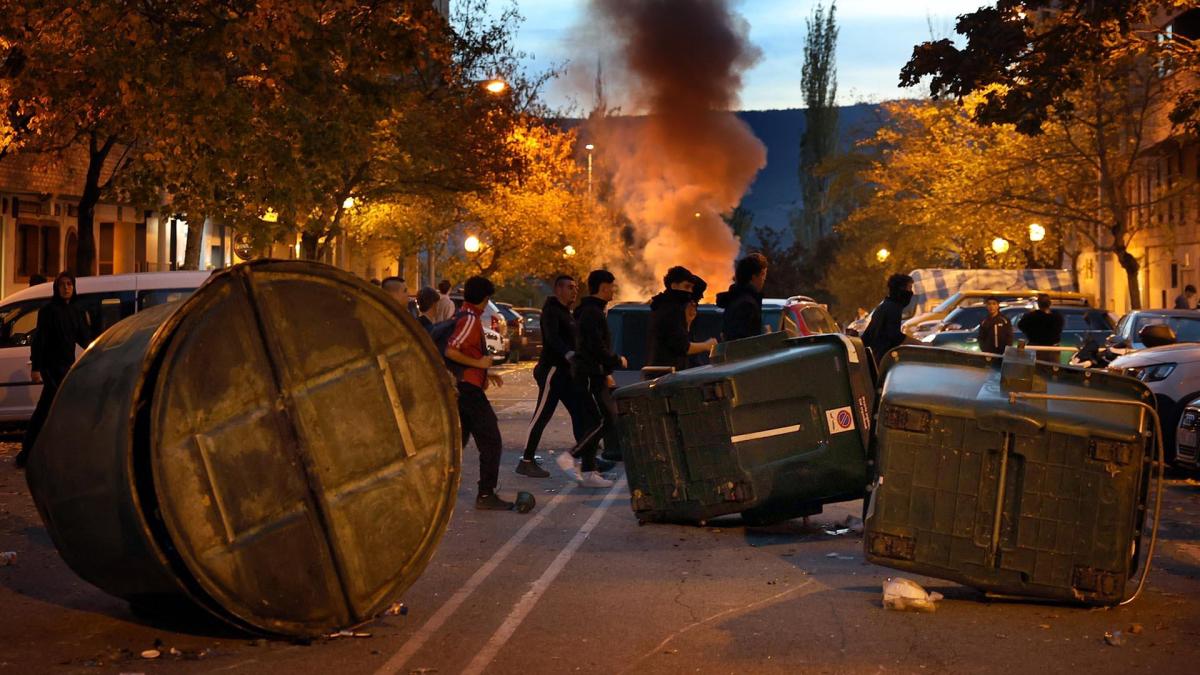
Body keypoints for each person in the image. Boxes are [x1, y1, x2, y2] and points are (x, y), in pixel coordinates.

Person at [444, 275, 519, 510]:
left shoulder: (465, 315)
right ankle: (486, 495)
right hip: (468, 390)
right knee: (491, 441)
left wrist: (487, 373)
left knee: (456, 443)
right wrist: (480, 366)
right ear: (486, 299)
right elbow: (452, 350)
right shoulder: (469, 319)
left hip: (467, 386)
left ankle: (440, 490)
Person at [15, 272, 91, 469]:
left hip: (67, 367)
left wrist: (98, 350)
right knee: (45, 410)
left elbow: (85, 338)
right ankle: (27, 453)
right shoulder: (48, 311)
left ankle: (63, 452)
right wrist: (36, 367)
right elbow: (39, 341)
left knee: (63, 410)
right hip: (51, 368)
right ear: (56, 288)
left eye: (69, 284)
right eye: (62, 284)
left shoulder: (76, 311)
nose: (66, 288)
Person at [564, 270, 627, 487]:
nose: (613, 290)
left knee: (596, 421)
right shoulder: (592, 313)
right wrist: (616, 361)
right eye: (611, 286)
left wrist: (607, 372)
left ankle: (589, 471)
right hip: (590, 374)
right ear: (603, 287)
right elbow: (595, 346)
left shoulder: (592, 311)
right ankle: (572, 456)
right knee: (605, 419)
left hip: (595, 373)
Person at [517, 275, 582, 478]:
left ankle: (586, 458)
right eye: (570, 287)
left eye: (576, 287)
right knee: (541, 416)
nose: (575, 291)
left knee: (580, 413)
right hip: (552, 371)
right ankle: (526, 460)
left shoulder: (566, 313)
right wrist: (568, 354)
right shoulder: (552, 311)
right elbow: (553, 338)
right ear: (559, 290)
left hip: (565, 373)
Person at [647, 266, 717, 372]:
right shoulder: (670, 310)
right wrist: (707, 345)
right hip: (667, 373)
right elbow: (682, 346)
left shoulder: (666, 306)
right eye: (686, 287)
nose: (689, 292)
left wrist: (687, 323)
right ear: (674, 285)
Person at [861, 273, 914, 365]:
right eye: (909, 288)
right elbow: (895, 336)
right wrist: (920, 344)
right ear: (901, 290)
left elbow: (868, 336)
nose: (911, 292)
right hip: (882, 361)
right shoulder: (893, 308)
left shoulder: (884, 307)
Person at [716, 253, 769, 341]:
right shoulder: (747, 305)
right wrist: (766, 336)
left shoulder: (735, 299)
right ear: (754, 276)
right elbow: (743, 342)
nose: (764, 279)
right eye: (763, 275)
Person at [1017, 293, 1064, 362]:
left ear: (1038, 304)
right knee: (1052, 370)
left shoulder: (1030, 316)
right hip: (1052, 348)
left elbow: (1020, 325)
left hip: (1035, 348)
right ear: (1050, 303)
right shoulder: (1057, 316)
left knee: (1035, 370)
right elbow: (1059, 328)